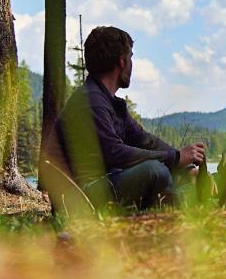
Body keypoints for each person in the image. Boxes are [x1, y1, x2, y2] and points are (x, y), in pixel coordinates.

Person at [49, 26, 205, 210]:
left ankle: (185, 207)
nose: (132, 63)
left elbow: (145, 140)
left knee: (169, 170)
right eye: (131, 57)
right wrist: (175, 158)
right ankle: (177, 213)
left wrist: (183, 163)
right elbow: (114, 152)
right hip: (78, 198)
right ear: (122, 61)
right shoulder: (90, 100)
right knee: (155, 171)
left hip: (100, 188)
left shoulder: (110, 102)